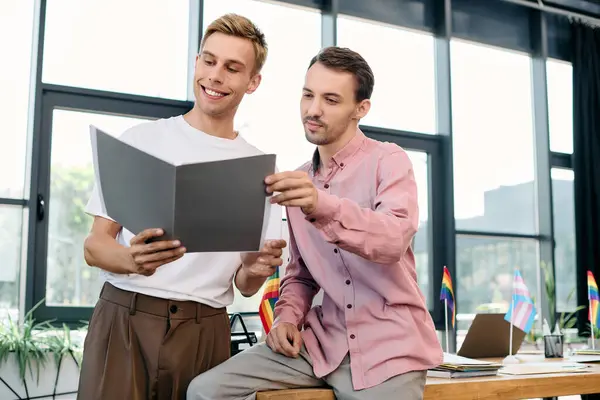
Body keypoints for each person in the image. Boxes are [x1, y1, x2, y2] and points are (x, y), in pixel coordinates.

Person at [186, 46, 443, 400]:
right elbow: (300, 273)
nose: (313, 110)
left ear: (360, 109)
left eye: (331, 100)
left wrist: (321, 204)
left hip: (389, 349)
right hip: (319, 345)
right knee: (205, 391)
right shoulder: (299, 180)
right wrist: (286, 319)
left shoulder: (389, 160)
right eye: (308, 95)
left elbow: (393, 239)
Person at [77, 14, 287, 400]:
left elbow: (243, 283)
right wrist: (130, 259)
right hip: (124, 319)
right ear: (196, 63)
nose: (215, 76)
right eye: (209, 61)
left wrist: (255, 270)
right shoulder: (141, 141)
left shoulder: (262, 172)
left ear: (252, 82)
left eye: (232, 68)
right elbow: (93, 246)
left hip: (205, 331)